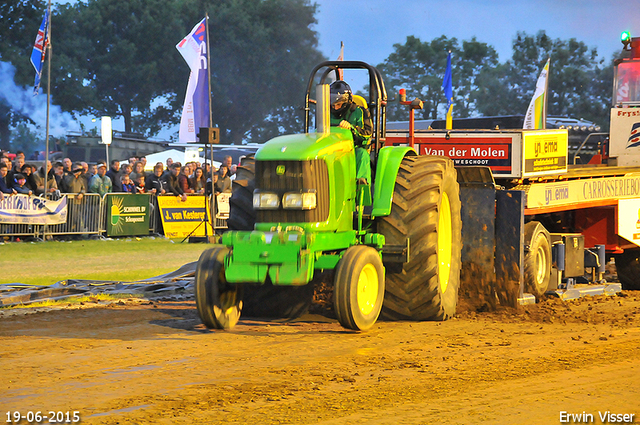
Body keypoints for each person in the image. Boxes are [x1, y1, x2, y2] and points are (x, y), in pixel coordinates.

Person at [329, 80, 373, 184]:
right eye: (333, 104)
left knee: (362, 154)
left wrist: (351, 128)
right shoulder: (325, 113)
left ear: (347, 100)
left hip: (353, 150)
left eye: (338, 104)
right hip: (331, 151)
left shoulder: (360, 112)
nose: (335, 107)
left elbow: (367, 134)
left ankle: (362, 189)